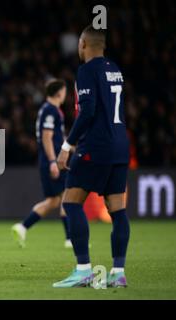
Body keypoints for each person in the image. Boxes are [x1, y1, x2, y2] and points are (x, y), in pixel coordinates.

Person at [53, 26, 130, 288]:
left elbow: (87, 111)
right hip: (121, 146)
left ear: (83, 43)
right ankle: (118, 273)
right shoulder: (115, 69)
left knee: (71, 202)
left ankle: (83, 269)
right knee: (118, 210)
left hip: (96, 146)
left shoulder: (87, 70)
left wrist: (67, 145)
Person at [12, 79, 71, 248]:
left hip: (50, 160)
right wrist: (53, 161)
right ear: (59, 92)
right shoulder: (51, 111)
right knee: (67, 195)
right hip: (52, 161)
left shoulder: (50, 110)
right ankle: (69, 239)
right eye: (64, 91)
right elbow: (47, 137)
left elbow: (55, 137)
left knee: (54, 201)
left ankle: (22, 227)